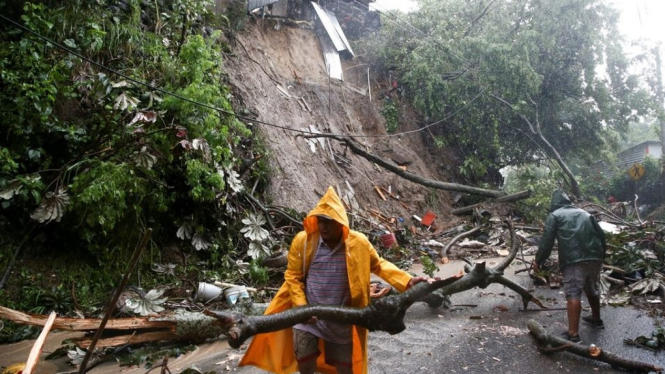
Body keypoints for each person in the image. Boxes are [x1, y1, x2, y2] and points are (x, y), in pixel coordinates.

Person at [239, 186, 430, 374]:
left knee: (345, 368)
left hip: (341, 317)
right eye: (320, 221)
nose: (323, 226)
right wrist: (301, 306)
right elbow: (292, 277)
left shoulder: (359, 243)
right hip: (307, 316)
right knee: (305, 361)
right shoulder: (304, 241)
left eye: (329, 221)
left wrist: (406, 281)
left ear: (340, 222)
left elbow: (379, 265)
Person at [532, 190, 607, 343]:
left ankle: (573, 334)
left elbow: (547, 242)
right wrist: (601, 255)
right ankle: (596, 319)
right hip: (595, 256)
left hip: (574, 259)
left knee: (573, 293)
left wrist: (538, 261)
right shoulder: (585, 214)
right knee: (592, 287)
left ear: (554, 204)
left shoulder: (555, 215)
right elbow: (601, 235)